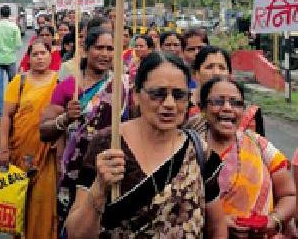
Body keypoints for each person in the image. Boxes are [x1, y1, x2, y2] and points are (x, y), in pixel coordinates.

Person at [65, 51, 227, 238]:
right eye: (158, 94)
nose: (169, 104)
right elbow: (76, 233)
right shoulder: (108, 144)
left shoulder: (198, 150)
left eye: (179, 95)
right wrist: (100, 188)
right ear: (136, 95)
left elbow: (217, 226)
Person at [39, 27, 130, 234]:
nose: (105, 54)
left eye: (110, 49)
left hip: (111, 169)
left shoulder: (122, 86)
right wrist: (65, 118)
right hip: (75, 171)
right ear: (86, 50)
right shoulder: (69, 87)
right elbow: (44, 132)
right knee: (75, 226)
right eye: (99, 48)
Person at [200, 77, 296, 238]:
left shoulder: (259, 145)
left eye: (236, 103)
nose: (227, 108)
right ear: (203, 108)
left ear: (243, 111)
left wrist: (273, 220)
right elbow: (178, 209)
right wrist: (219, 222)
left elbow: (288, 194)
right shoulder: (191, 150)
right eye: (217, 101)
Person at [0, 39, 58, 239]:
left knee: (43, 204)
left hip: (48, 153)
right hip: (20, 153)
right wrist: (4, 150)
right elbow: (5, 116)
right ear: (29, 58)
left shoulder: (59, 82)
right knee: (19, 199)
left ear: (51, 56)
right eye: (35, 54)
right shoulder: (19, 82)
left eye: (43, 53)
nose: (40, 57)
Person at [188, 45, 265, 136]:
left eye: (222, 67)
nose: (216, 72)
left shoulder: (247, 113)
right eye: (209, 67)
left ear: (229, 74)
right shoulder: (184, 107)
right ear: (196, 74)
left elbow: (256, 147)